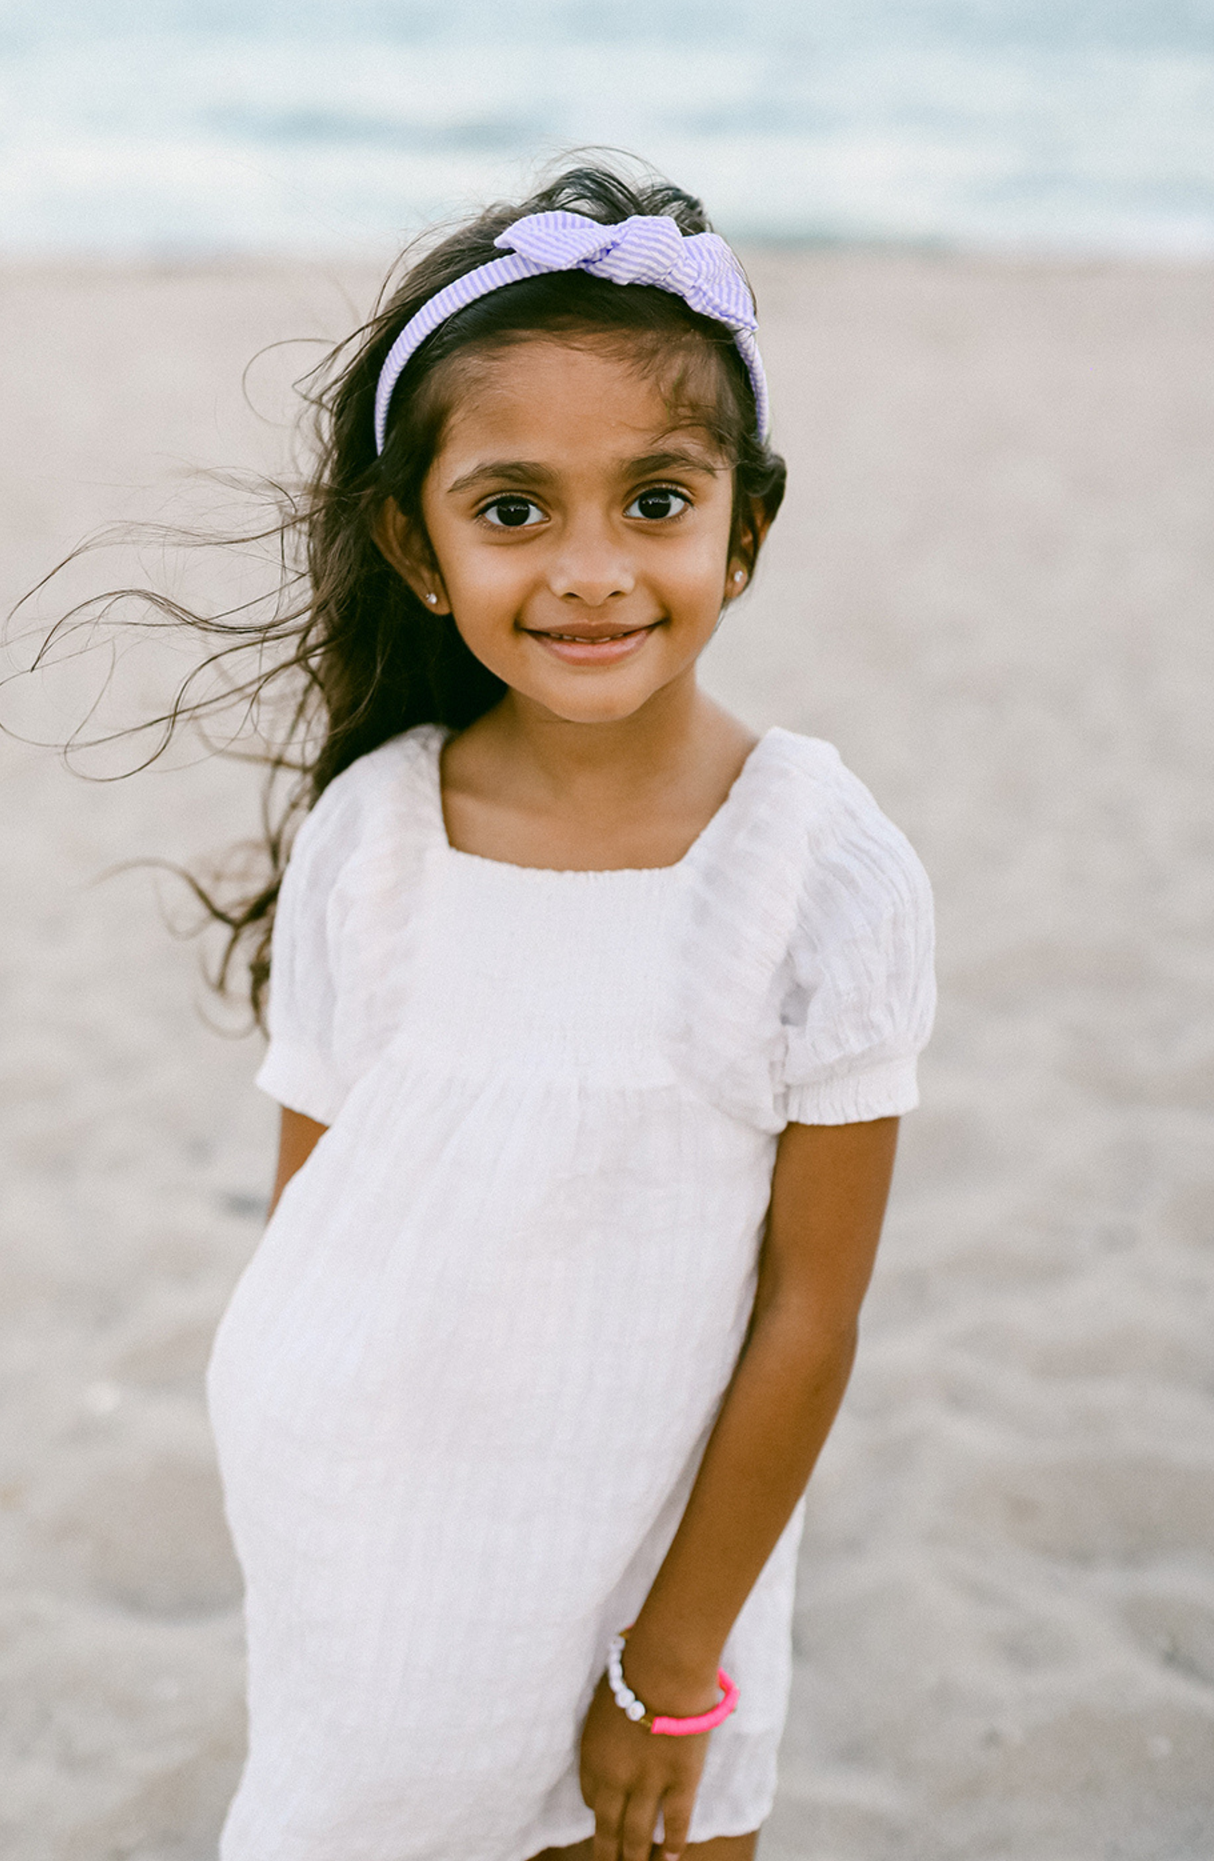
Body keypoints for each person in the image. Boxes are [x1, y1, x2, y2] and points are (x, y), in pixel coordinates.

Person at [200, 163, 936, 1861]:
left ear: (745, 525)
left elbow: (808, 1313)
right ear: (417, 541)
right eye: (513, 508)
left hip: (658, 1563)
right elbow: (314, 1221)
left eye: (655, 503)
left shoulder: (818, 863)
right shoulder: (371, 830)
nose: (591, 569)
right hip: (370, 1555)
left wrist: (673, 1663)